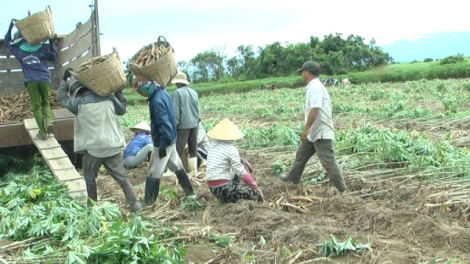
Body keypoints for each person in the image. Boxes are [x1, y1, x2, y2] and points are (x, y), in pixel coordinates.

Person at [58, 69, 142, 212]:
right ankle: (135, 205)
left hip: (93, 149)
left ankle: (92, 207)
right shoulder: (108, 99)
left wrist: (65, 80)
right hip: (112, 146)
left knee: (90, 177)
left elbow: (62, 98)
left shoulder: (78, 104)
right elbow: (122, 109)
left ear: (80, 92)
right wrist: (118, 92)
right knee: (122, 178)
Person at [279, 61, 346, 193]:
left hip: (320, 131)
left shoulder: (315, 87)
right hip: (314, 131)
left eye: (302, 72)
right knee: (301, 155)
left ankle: (341, 189)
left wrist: (306, 128)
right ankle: (292, 178)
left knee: (328, 161)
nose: (302, 75)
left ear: (307, 72)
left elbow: (315, 109)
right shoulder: (314, 86)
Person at [132, 75, 195, 207]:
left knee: (153, 171)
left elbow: (164, 123)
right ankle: (191, 193)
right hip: (171, 139)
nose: (141, 93)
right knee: (177, 166)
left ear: (147, 86)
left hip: (163, 141)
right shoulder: (163, 92)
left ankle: (149, 202)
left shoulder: (156, 100)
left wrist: (162, 146)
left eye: (140, 90)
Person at [5, 19, 57, 140]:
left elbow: (7, 42)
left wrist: (10, 27)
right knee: (46, 103)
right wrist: (51, 41)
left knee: (36, 106)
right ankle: (49, 121)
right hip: (45, 79)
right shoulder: (41, 48)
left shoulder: (18, 51)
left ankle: (43, 132)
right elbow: (54, 57)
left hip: (31, 81)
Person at [205, 118, 264, 203]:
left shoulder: (213, 145)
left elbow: (223, 157)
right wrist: (256, 187)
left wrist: (240, 159)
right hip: (224, 187)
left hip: (212, 187)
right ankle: (230, 196)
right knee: (255, 194)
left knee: (235, 173)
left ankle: (228, 196)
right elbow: (241, 172)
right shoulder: (231, 149)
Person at [171, 72, 200, 173]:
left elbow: (176, 113)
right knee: (193, 149)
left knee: (178, 149)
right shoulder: (194, 92)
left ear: (177, 83)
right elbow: (197, 109)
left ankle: (177, 172)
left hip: (183, 126)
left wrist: (174, 127)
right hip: (194, 124)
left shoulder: (177, 93)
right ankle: (194, 171)